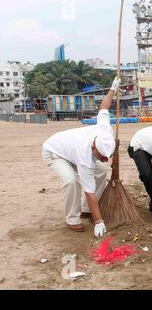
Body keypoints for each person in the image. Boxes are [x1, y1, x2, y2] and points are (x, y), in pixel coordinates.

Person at [42, 78, 119, 237]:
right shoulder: (84, 156)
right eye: (102, 157)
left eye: (107, 157)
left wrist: (113, 88)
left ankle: (85, 209)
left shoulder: (105, 130)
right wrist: (99, 222)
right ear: (93, 147)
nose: (105, 160)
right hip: (55, 153)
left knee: (102, 171)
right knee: (71, 181)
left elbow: (104, 107)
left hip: (71, 151)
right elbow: (89, 191)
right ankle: (72, 218)